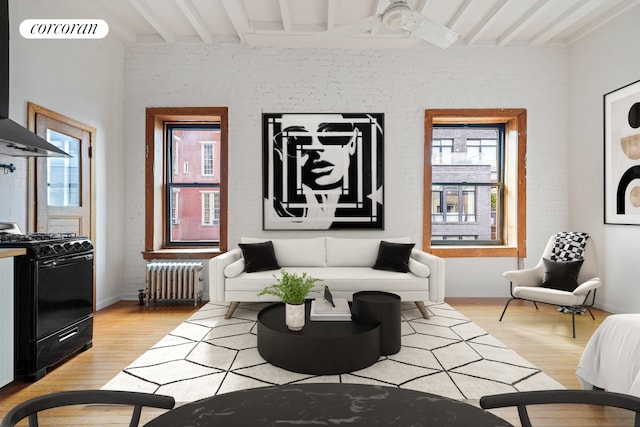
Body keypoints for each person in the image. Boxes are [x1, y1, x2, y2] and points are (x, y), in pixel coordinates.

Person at [264, 113, 382, 229]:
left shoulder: (374, 215)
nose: (316, 148)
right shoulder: (274, 213)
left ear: (353, 141)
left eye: (331, 133)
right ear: (281, 153)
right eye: (296, 139)